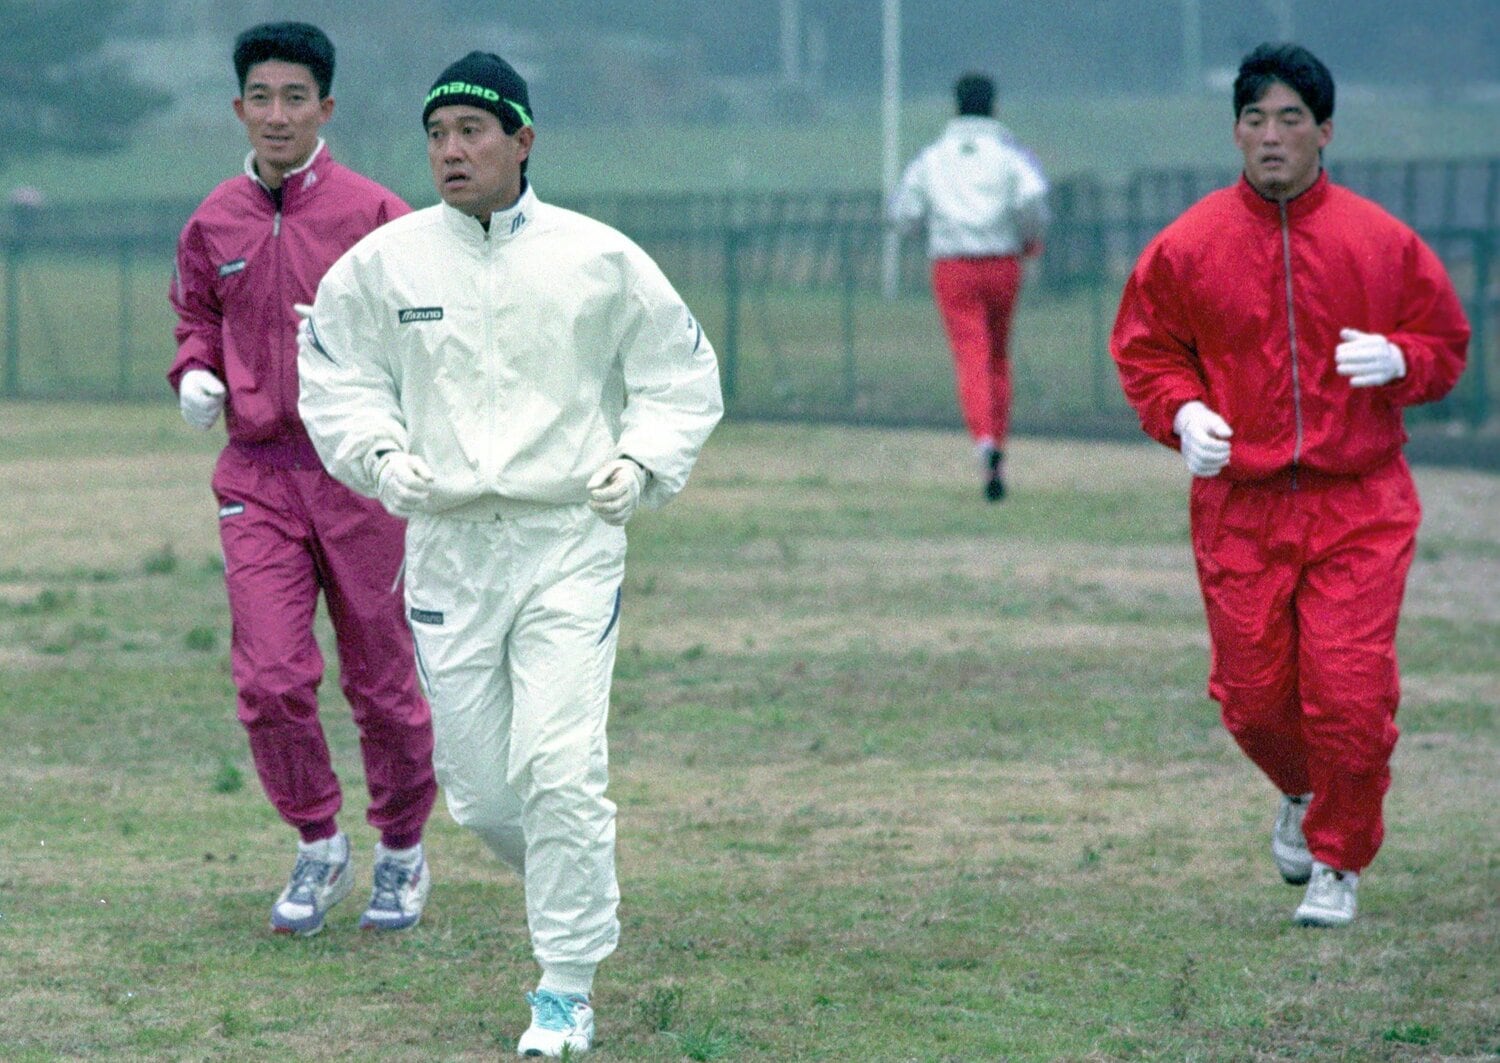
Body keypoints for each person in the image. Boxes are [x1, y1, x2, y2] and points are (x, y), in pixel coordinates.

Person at [296, 51, 723, 1057]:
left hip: (567, 540)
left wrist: (640, 463)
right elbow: (336, 375)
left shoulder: (597, 258)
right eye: (437, 135)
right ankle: (579, 879)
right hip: (450, 550)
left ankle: (564, 988)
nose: (451, 151)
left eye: (472, 133)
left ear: (522, 141)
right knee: (487, 794)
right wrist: (380, 457)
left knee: (559, 771)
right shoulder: (387, 264)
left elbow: (681, 375)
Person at [1111, 43, 1469, 928]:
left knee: (1349, 693)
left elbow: (1446, 344)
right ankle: (1305, 791)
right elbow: (1148, 352)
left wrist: (1403, 358)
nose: (1272, 136)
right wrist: (1183, 413)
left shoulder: (1379, 241)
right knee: (1252, 697)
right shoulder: (1188, 246)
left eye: (1291, 119)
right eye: (1255, 119)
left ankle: (1337, 860)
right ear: (1235, 132)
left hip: (1360, 499)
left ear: (1325, 132)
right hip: (1242, 504)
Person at [168, 21, 437, 937]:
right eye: (261, 98)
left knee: (383, 680)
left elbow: (426, 332)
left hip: (359, 476)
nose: (276, 115)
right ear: (238, 107)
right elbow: (196, 317)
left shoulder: (377, 217)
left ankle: (401, 847)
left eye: (295, 98)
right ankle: (319, 841)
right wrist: (194, 371)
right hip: (257, 475)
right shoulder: (213, 221)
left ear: (325, 108)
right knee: (273, 678)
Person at [888, 72, 1049, 502]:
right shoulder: (1010, 154)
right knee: (998, 357)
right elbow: (1033, 199)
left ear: (955, 106)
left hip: (953, 266)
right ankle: (1000, 443)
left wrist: (925, 229)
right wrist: (1029, 236)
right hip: (1002, 263)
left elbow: (903, 214)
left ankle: (984, 441)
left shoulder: (933, 157)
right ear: (994, 107)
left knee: (971, 356)